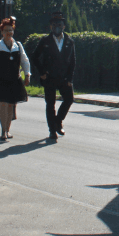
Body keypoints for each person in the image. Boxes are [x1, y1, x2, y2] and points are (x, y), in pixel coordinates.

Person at [31, 12, 77, 141]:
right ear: (50, 26)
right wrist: (42, 72)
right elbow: (35, 57)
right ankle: (52, 130)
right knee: (50, 104)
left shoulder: (69, 41)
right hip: (50, 77)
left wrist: (70, 78)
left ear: (64, 26)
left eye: (59, 24)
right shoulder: (45, 41)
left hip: (64, 78)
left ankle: (58, 121)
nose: (57, 27)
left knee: (69, 99)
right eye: (54, 24)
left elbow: (73, 62)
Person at [0, 18, 31, 140]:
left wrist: (27, 74)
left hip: (14, 81)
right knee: (3, 105)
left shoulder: (18, 46)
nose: (8, 32)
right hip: (1, 80)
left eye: (10, 30)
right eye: (6, 30)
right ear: (2, 32)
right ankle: (3, 131)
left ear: (13, 31)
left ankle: (8, 129)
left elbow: (25, 61)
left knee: (11, 105)